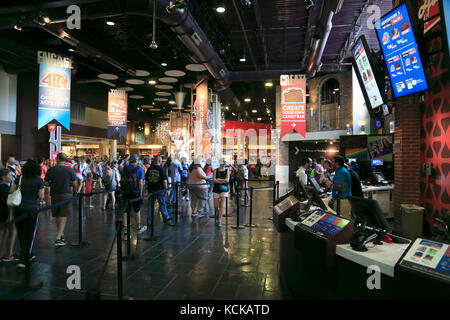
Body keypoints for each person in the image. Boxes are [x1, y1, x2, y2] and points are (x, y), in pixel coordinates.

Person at [10, 160, 44, 268]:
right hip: (31, 209)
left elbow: (11, 190)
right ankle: (23, 260)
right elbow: (41, 196)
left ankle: (28, 254)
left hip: (18, 208)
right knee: (29, 234)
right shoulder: (39, 180)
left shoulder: (19, 178)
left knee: (21, 233)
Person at [45, 152, 78, 247]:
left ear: (57, 159)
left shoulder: (51, 169)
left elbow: (46, 182)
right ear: (65, 160)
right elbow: (75, 184)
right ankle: (58, 238)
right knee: (63, 215)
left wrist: (53, 184)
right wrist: (69, 184)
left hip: (54, 194)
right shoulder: (69, 170)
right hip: (66, 194)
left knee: (57, 214)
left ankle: (61, 234)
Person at [121, 154, 146, 237]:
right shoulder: (140, 169)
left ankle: (125, 232)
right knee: (137, 210)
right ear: (137, 160)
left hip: (125, 192)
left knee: (125, 211)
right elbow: (140, 183)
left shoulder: (125, 168)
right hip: (135, 193)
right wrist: (141, 194)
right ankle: (138, 228)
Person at [145, 155, 171, 225]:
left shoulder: (149, 169)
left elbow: (146, 181)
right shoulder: (161, 169)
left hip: (151, 190)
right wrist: (166, 189)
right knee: (162, 203)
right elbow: (164, 181)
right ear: (159, 161)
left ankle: (149, 220)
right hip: (160, 190)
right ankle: (165, 217)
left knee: (150, 205)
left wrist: (149, 186)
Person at [0, 168, 18, 262]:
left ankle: (6, 254)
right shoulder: (4, 188)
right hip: (5, 214)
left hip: (3, 213)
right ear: (3, 177)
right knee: (7, 232)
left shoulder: (4, 187)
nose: (12, 177)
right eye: (10, 175)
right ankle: (8, 254)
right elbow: (6, 202)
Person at [213, 159, 230, 227]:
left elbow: (227, 180)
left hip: (224, 189)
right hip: (216, 189)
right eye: (223, 163)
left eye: (224, 163)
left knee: (222, 205)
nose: (223, 164)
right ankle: (217, 213)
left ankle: (219, 220)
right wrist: (222, 181)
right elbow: (214, 180)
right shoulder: (215, 170)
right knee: (216, 206)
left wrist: (219, 180)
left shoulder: (227, 170)